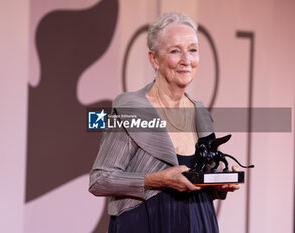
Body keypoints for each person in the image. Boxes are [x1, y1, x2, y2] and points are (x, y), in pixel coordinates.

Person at [89, 12, 240, 233]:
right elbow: (99, 180)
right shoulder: (131, 108)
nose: (186, 60)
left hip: (199, 222)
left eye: (193, 50)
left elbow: (204, 178)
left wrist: (220, 182)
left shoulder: (201, 112)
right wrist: (159, 180)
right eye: (175, 51)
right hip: (146, 223)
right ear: (154, 59)